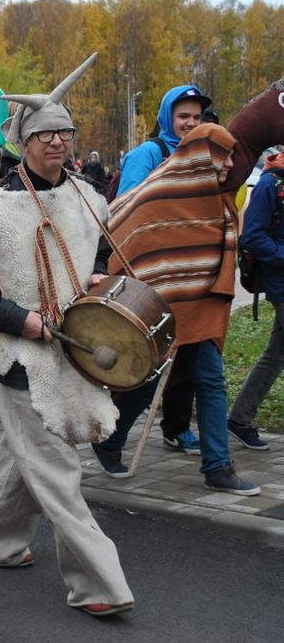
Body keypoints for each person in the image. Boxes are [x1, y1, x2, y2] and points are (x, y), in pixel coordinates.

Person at [0, 54, 135, 617]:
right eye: (45, 134)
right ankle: (100, 584)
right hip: (22, 353)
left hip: (76, 346)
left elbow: (101, 253)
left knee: (27, 457)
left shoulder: (89, 196)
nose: (58, 141)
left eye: (64, 132)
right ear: (23, 141)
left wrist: (99, 276)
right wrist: (23, 321)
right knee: (58, 469)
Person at [91, 123, 262, 496]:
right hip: (162, 309)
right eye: (224, 156)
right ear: (202, 155)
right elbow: (126, 233)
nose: (230, 164)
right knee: (147, 381)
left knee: (211, 381)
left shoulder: (219, 199)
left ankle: (217, 467)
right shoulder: (158, 194)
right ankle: (109, 440)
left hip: (203, 309)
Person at [112, 84, 212, 455]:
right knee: (151, 361)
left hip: (189, 273)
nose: (190, 123)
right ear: (167, 117)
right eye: (183, 116)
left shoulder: (200, 155)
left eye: (196, 117)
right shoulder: (148, 154)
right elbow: (126, 210)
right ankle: (111, 436)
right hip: (151, 273)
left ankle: (177, 428)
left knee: (190, 357)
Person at [228, 148, 284, 451]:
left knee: (276, 354)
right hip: (281, 283)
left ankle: (240, 419)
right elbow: (252, 236)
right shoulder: (270, 183)